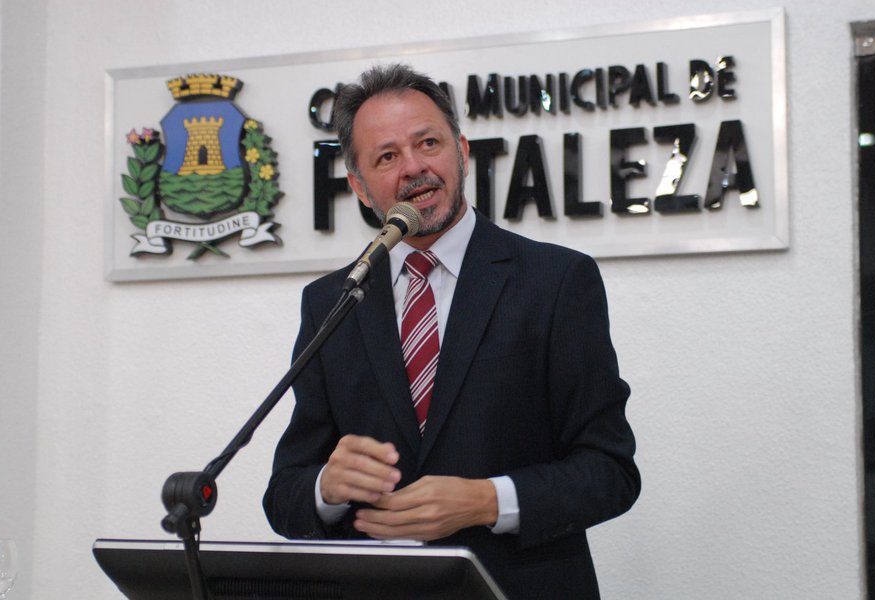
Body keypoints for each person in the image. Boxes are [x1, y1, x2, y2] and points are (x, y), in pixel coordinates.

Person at [263, 64, 640, 599]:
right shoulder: (333, 300)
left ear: (461, 152)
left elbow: (611, 472)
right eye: (387, 156)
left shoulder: (556, 281)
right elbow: (285, 495)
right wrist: (327, 486)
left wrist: (488, 500)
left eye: (429, 142)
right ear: (360, 187)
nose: (414, 168)